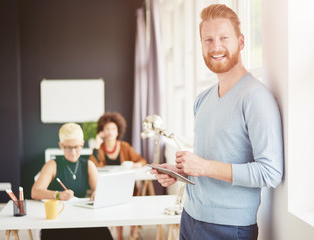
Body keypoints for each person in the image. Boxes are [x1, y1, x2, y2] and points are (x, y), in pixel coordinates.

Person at [150, 4, 283, 240]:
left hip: (229, 228)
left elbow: (270, 172)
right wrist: (182, 172)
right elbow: (209, 162)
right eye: (208, 39)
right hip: (190, 217)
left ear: (241, 42)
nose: (216, 47)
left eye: (224, 38)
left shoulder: (256, 98)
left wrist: (204, 167)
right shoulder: (203, 99)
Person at [31, 122, 113, 240]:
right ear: (61, 145)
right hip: (58, 220)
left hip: (82, 218)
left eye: (77, 147)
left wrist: (97, 193)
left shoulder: (89, 165)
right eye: (68, 147)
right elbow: (35, 192)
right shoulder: (52, 165)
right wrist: (57, 195)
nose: (73, 152)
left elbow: (98, 190)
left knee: (103, 234)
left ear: (82, 144)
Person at [89, 112, 147, 240]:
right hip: (109, 186)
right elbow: (93, 165)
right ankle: (119, 236)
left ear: (118, 131)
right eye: (107, 129)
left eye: (113, 129)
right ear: (102, 131)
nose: (110, 132)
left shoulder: (125, 147)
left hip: (126, 185)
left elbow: (142, 161)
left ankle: (131, 228)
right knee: (115, 207)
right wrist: (96, 144)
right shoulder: (100, 149)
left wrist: (135, 164)